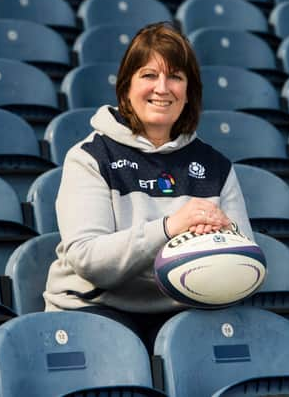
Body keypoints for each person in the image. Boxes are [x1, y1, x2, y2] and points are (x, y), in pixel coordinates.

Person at [44, 22, 255, 352]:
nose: (162, 88)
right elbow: (88, 258)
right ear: (127, 86)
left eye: (175, 77)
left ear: (189, 93)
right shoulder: (90, 157)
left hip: (185, 309)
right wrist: (171, 228)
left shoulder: (216, 167)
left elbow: (243, 262)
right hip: (94, 307)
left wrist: (222, 238)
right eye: (148, 75)